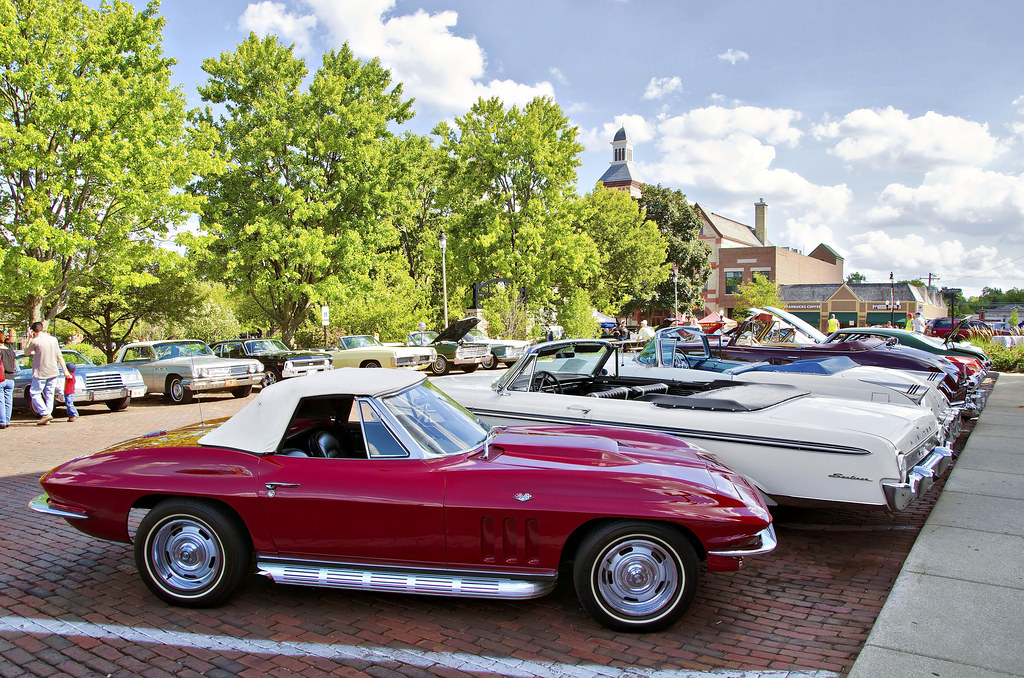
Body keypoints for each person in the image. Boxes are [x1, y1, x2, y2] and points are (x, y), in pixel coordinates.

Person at [23, 321, 70, 425]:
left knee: (34, 393)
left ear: (33, 331)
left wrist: (29, 338)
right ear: (43, 328)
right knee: (49, 394)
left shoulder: (35, 341)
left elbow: (26, 353)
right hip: (53, 371)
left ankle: (45, 414)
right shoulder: (53, 340)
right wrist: (65, 370)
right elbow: (59, 356)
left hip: (40, 372)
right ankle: (48, 414)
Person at [0, 331, 16, 429]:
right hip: (11, 378)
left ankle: (2, 422)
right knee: (8, 400)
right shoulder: (11, 351)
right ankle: (7, 420)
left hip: (1, 378)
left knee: (1, 401)